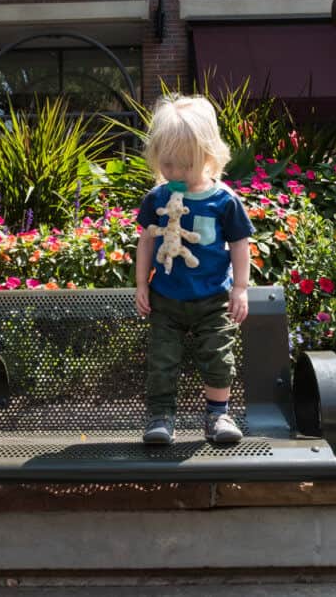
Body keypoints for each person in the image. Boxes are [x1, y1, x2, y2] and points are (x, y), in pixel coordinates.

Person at [134, 94, 254, 445]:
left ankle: (218, 416)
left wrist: (241, 289)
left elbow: (239, 245)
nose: (175, 174)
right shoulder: (157, 198)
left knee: (218, 356)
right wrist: (142, 284)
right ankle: (161, 418)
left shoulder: (224, 201)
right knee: (162, 359)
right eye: (167, 164)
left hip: (213, 298)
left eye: (184, 166)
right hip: (166, 298)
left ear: (207, 157)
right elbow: (146, 241)